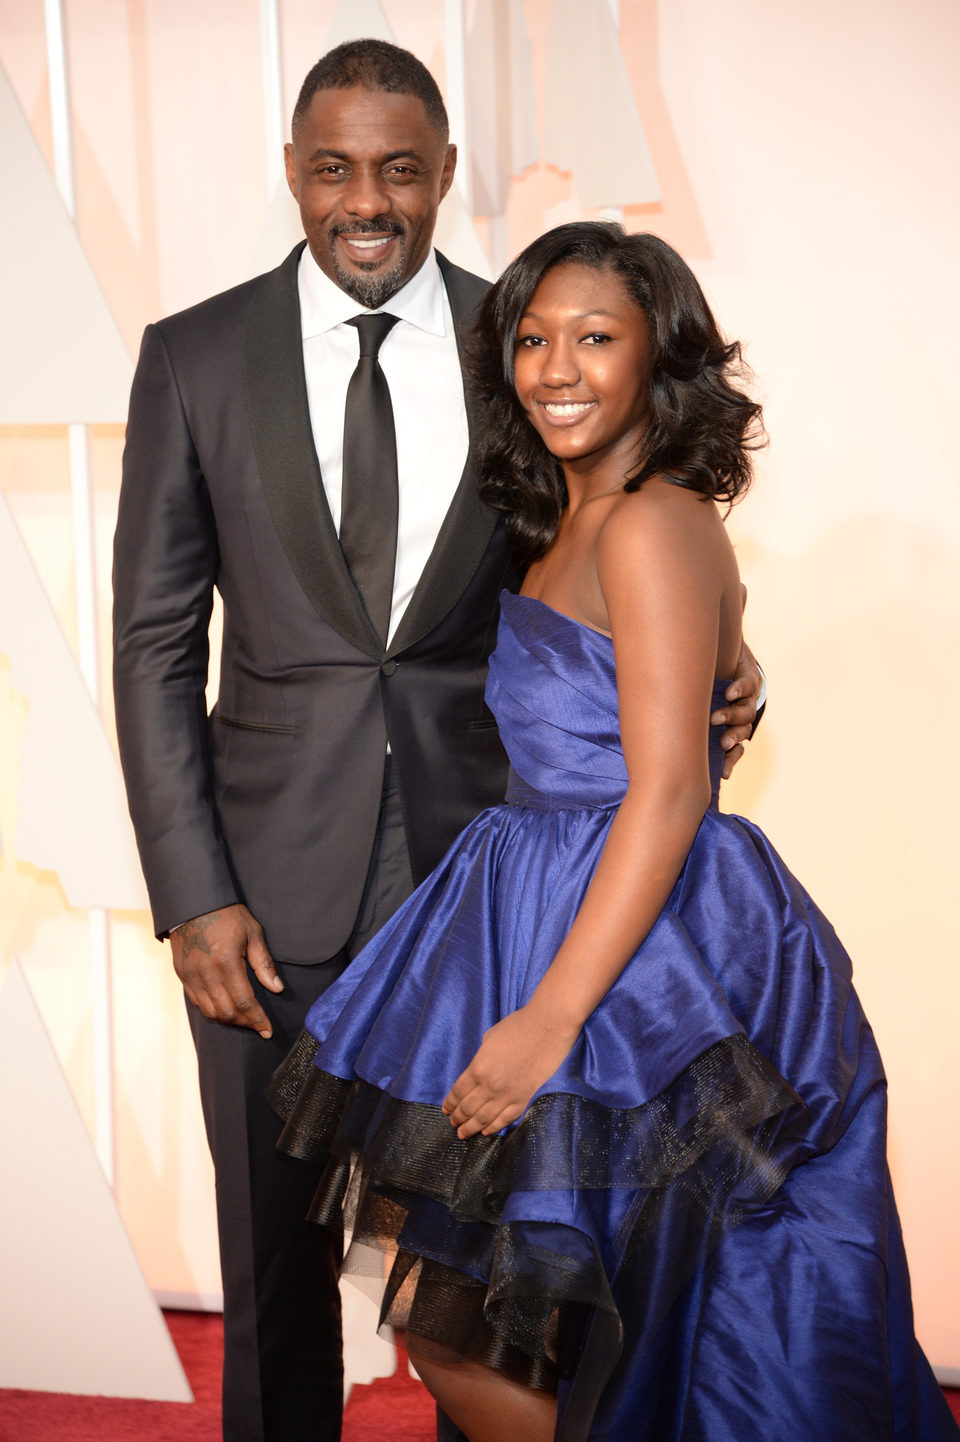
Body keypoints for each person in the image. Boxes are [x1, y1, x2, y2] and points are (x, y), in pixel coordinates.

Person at [111, 36, 765, 1442]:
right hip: (263, 901)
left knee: (493, 1285)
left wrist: (727, 641)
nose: (368, 199)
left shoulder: (520, 345)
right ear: (293, 174)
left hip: (487, 896)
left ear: (444, 176)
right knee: (273, 1265)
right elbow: (155, 644)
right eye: (336, 168)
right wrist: (192, 892)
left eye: (401, 170)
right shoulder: (194, 358)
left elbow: (622, 544)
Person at [269, 221, 959, 1442]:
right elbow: (696, 696)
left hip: (644, 956)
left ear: (659, 357)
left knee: (648, 1313)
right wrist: (730, 681)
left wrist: (550, 1019)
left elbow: (669, 788)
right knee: (531, 1318)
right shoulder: (576, 524)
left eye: (596, 337)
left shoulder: (647, 521)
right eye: (533, 339)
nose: (557, 368)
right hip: (552, 909)